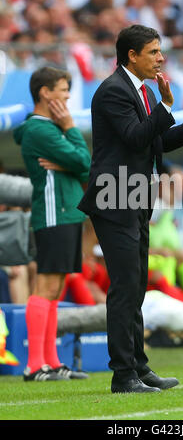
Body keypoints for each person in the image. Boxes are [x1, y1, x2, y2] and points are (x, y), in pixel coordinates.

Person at [78, 24, 183, 394]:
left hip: (134, 197)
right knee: (125, 286)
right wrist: (167, 106)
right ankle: (123, 376)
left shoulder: (143, 90)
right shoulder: (112, 91)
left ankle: (139, 368)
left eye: (160, 51)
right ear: (131, 55)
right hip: (113, 197)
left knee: (136, 288)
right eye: (153, 52)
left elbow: (156, 139)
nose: (161, 58)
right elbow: (135, 136)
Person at [14, 66, 91, 382]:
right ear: (45, 93)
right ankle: (34, 365)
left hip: (67, 213)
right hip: (53, 214)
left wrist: (71, 162)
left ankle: (52, 361)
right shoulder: (41, 130)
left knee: (56, 288)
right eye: (62, 88)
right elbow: (84, 162)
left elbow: (86, 171)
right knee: (45, 286)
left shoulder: (52, 128)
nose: (68, 95)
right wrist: (71, 130)